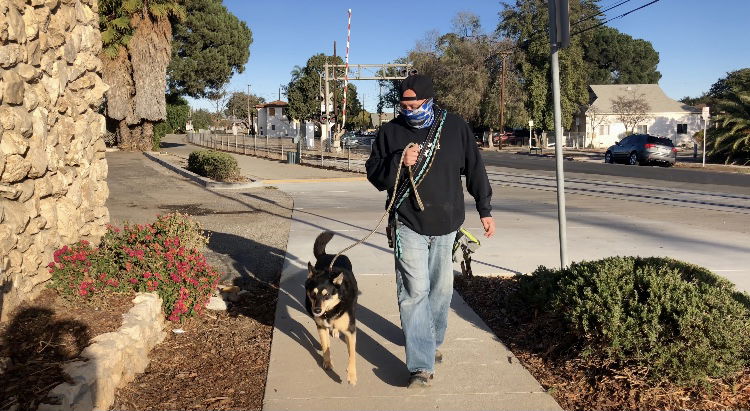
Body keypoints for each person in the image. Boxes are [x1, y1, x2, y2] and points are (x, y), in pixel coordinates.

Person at [365, 74, 495, 388]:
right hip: (407, 222)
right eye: (404, 105)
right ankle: (421, 366)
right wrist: (399, 161)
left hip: (447, 224)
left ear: (429, 99)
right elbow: (374, 173)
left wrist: (485, 209)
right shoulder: (390, 132)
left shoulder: (455, 127)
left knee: (440, 289)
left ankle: (431, 340)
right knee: (414, 291)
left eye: (415, 104)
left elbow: (474, 168)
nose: (409, 110)